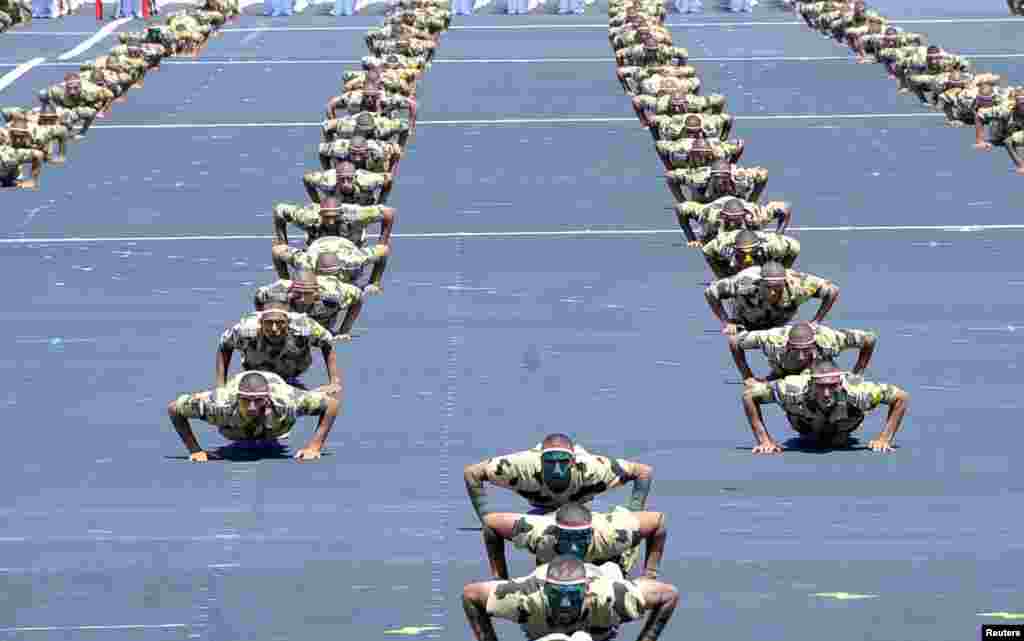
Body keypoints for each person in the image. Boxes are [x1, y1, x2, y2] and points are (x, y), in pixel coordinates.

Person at [462, 555, 680, 641]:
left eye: (572, 596)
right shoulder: (523, 596)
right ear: (545, 591)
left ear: (587, 591)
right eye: (557, 596)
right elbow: (471, 595)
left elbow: (669, 594)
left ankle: (610, 565)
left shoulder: (612, 595)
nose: (565, 604)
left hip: (600, 584)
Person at [463, 433, 653, 521]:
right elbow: (472, 473)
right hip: (540, 511)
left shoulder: (592, 469)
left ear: (572, 462)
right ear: (539, 461)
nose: (556, 469)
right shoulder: (520, 467)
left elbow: (643, 471)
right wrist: (485, 518)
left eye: (562, 463)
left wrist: (633, 516)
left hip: (581, 510)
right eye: (550, 463)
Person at [741, 361, 910, 454]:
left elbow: (901, 397)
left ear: (840, 383)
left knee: (837, 440)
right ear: (811, 383)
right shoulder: (791, 388)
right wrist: (764, 440)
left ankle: (836, 432)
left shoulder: (858, 391)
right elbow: (749, 396)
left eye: (832, 386)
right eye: (821, 386)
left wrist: (884, 438)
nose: (827, 393)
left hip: (843, 426)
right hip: (805, 426)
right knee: (810, 439)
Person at [168, 371, 340, 462]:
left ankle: (310, 395)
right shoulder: (218, 403)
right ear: (237, 397)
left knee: (279, 426)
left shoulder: (288, 401)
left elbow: (332, 404)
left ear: (266, 399)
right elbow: (174, 409)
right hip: (234, 417)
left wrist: (314, 447)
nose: (251, 406)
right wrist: (196, 451)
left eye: (257, 401)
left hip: (277, 397)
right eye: (245, 401)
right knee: (234, 432)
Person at [481, 502, 667, 580]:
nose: (573, 547)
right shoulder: (538, 535)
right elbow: (490, 523)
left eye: (579, 539)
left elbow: (658, 521)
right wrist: (500, 578)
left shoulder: (613, 536)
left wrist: (649, 575)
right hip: (551, 545)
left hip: (609, 553)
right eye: (567, 539)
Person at [728, 321, 877, 383]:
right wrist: (748, 377)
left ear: (814, 343)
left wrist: (857, 373)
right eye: (796, 349)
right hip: (782, 372)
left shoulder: (831, 339)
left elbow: (869, 339)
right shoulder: (771, 339)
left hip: (819, 372)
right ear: (787, 344)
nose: (801, 356)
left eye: (806, 350)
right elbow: (734, 341)